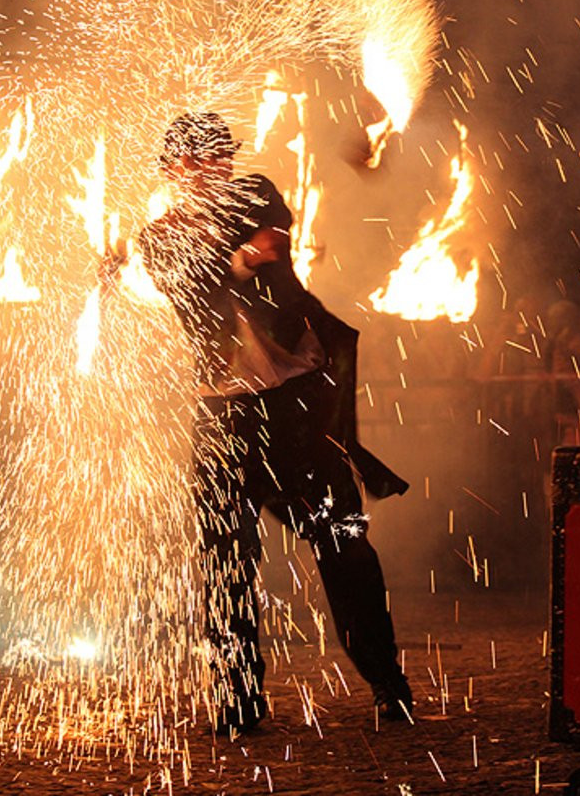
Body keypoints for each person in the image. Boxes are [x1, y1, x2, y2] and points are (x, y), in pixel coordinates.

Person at [136, 112, 411, 736]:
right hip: (224, 416)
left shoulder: (255, 192)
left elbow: (270, 248)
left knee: (343, 544)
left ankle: (387, 682)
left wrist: (248, 255)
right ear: (176, 172)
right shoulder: (159, 239)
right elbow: (193, 285)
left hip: (295, 409)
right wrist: (234, 262)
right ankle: (237, 699)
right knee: (226, 562)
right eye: (199, 162)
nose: (215, 170)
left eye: (219, 158)